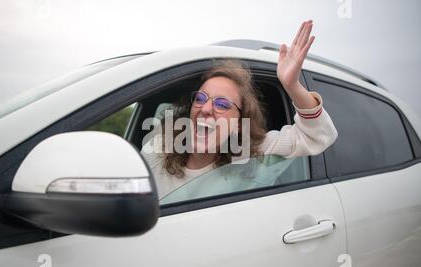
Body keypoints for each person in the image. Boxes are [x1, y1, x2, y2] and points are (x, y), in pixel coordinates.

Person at [141, 20, 338, 199]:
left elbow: (319, 135)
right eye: (201, 98)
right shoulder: (159, 148)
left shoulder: (251, 154)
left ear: (239, 124)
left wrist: (292, 86)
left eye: (222, 104)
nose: (206, 108)